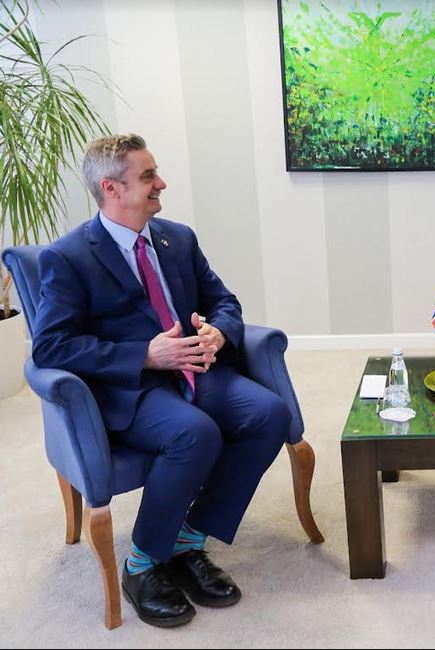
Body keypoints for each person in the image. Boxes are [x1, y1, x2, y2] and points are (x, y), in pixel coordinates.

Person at [31, 134, 291, 628]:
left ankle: (187, 541)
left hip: (195, 369)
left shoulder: (178, 239)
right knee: (195, 433)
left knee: (269, 414)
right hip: (133, 387)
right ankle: (143, 562)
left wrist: (219, 332)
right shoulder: (68, 257)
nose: (162, 184)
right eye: (148, 176)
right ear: (111, 188)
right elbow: (51, 346)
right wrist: (144, 355)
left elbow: (224, 301)